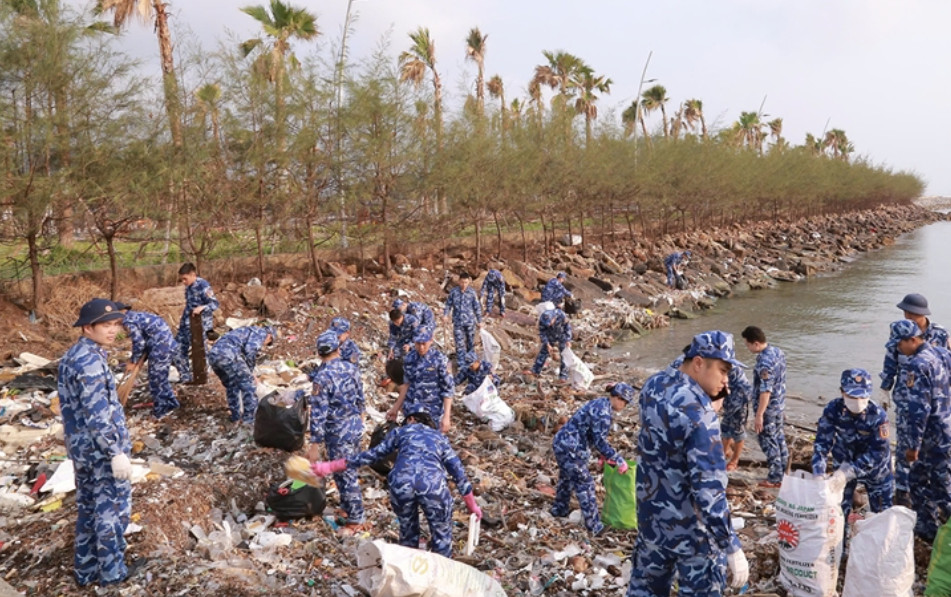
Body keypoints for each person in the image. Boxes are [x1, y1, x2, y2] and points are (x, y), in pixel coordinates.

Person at [627, 331, 749, 596]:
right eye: (723, 370)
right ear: (698, 363)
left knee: (644, 591)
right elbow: (708, 491)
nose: (726, 381)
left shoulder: (653, 385)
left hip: (652, 520)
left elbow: (675, 370)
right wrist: (732, 546)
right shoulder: (701, 415)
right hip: (693, 535)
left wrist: (707, 395)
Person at [311, 410, 482, 558]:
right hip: (433, 485)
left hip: (402, 483)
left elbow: (372, 455)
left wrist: (331, 466)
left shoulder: (401, 432)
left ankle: (407, 578)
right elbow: (458, 472)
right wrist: (472, 505)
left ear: (411, 419)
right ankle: (441, 579)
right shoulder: (439, 438)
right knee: (441, 534)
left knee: (408, 534)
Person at [58, 299, 134, 587]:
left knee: (88, 510)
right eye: (106, 325)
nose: (113, 330)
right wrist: (115, 451)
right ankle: (112, 574)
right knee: (110, 513)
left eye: (116, 324)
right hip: (100, 452)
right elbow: (97, 414)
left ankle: (86, 570)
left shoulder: (74, 355)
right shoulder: (89, 361)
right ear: (88, 328)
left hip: (83, 450)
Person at [889, 319, 951, 540]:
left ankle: (931, 530)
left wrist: (912, 446)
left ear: (912, 340)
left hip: (929, 437)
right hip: (944, 429)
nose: (898, 349)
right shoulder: (941, 354)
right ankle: (929, 527)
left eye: (900, 344)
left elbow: (918, 411)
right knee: (931, 480)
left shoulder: (917, 365)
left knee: (933, 485)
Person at [551, 383, 634, 535]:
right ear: (617, 398)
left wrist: (603, 456)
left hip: (562, 443)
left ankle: (559, 509)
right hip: (571, 449)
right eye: (625, 402)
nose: (625, 405)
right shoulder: (603, 413)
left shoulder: (600, 403)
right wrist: (617, 459)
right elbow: (600, 441)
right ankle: (594, 526)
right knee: (586, 484)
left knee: (567, 478)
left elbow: (592, 435)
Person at [812, 368, 893, 521]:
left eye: (863, 397)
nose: (858, 401)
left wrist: (849, 472)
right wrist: (818, 473)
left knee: (882, 516)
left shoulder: (878, 415)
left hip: (876, 470)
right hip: (843, 461)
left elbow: (878, 453)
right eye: (852, 396)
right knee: (837, 513)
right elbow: (822, 443)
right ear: (842, 392)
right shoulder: (833, 410)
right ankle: (839, 543)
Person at [307, 331, 366, 532]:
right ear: (337, 349)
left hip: (337, 433)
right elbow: (361, 396)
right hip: (354, 428)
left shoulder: (322, 378)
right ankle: (349, 508)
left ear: (319, 353)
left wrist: (314, 444)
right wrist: (361, 417)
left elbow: (318, 412)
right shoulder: (352, 369)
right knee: (347, 471)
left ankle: (356, 518)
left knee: (345, 474)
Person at [742, 325, 788, 489]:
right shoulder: (777, 352)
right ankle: (784, 472)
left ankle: (775, 477)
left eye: (747, 344)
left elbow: (765, 391)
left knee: (768, 441)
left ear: (755, 343)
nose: (747, 348)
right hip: (779, 405)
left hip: (768, 407)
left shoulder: (765, 363)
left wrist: (759, 414)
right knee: (779, 438)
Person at [880, 293, 949, 399]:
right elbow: (891, 360)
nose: (908, 317)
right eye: (906, 313)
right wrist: (885, 388)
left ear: (923, 313)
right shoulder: (900, 330)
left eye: (913, 314)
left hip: (933, 393)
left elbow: (947, 362)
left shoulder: (940, 333)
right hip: (905, 392)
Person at [386, 328, 455, 433]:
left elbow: (448, 390)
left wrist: (446, 417)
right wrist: (395, 408)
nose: (421, 347)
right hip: (411, 409)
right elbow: (406, 385)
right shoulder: (409, 358)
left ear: (431, 340)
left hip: (431, 411)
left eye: (424, 343)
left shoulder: (440, 360)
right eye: (418, 343)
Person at [207, 325, 275, 424]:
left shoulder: (246, 331)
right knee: (250, 385)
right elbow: (250, 351)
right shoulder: (260, 333)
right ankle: (249, 420)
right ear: (270, 336)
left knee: (232, 385)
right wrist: (250, 373)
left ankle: (235, 416)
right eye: (268, 342)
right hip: (228, 355)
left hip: (214, 356)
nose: (265, 344)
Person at [120, 309, 180, 419]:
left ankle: (162, 410)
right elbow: (146, 336)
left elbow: (139, 342)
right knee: (160, 378)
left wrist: (133, 361)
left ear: (122, 311)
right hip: (166, 345)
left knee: (156, 380)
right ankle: (171, 403)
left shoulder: (128, 321)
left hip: (160, 348)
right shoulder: (138, 315)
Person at [174, 262, 219, 383]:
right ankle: (185, 376)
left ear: (193, 275)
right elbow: (189, 306)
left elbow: (214, 304)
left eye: (185, 278)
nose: (183, 281)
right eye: (181, 279)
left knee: (200, 353)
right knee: (176, 349)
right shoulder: (188, 287)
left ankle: (204, 377)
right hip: (187, 324)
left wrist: (202, 308)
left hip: (200, 326)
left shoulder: (203, 285)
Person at [442, 272, 483, 368]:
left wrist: (479, 321)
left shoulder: (472, 293)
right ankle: (461, 366)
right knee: (459, 344)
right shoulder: (454, 292)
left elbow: (477, 307)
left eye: (466, 282)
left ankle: (471, 364)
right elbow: (448, 304)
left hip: (470, 322)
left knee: (470, 344)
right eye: (462, 282)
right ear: (459, 281)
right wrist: (445, 315)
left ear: (469, 282)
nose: (463, 284)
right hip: (458, 322)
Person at [721, 365, 753, 471]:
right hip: (729, 401)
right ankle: (723, 453)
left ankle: (735, 460)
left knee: (737, 431)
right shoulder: (717, 365)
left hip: (739, 402)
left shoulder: (731, 369)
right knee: (725, 427)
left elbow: (725, 387)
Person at [528, 305, 572, 383]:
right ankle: (535, 371)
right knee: (544, 352)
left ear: (554, 318)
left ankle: (563, 376)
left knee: (565, 354)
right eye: (547, 324)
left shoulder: (561, 315)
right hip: (550, 335)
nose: (549, 324)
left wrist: (568, 340)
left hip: (561, 334)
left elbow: (567, 327)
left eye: (550, 322)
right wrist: (547, 343)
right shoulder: (543, 319)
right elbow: (542, 332)